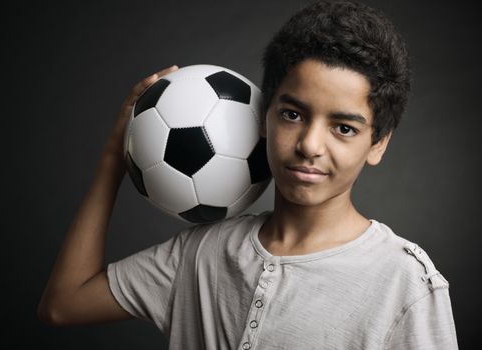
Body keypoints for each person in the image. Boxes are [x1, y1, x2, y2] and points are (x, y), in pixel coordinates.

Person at [37, 1, 459, 349]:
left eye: (343, 128)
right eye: (292, 114)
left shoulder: (404, 285)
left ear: (378, 142)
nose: (310, 144)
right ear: (263, 116)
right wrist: (117, 153)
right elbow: (63, 304)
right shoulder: (200, 254)